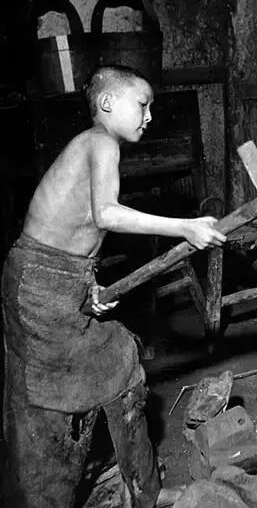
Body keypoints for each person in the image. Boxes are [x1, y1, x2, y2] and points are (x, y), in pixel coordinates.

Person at [1, 64, 226, 507]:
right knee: (47, 405)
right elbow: (105, 214)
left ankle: (145, 491)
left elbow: (78, 231)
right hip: (36, 288)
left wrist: (88, 287)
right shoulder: (99, 141)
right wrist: (184, 227)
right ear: (107, 103)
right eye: (142, 104)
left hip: (57, 280)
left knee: (122, 362)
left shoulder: (98, 146)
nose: (149, 116)